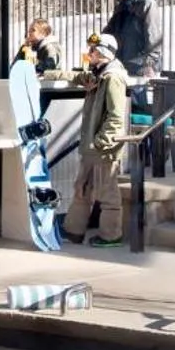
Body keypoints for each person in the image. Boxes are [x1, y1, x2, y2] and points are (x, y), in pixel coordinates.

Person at [63, 33, 131, 248]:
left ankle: (111, 235)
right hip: (92, 146)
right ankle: (73, 231)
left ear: (101, 53)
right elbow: (76, 77)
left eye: (92, 51)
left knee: (107, 192)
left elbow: (116, 115)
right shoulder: (98, 75)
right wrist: (46, 72)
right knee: (82, 187)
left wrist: (102, 141)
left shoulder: (113, 78)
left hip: (103, 148)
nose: (88, 54)